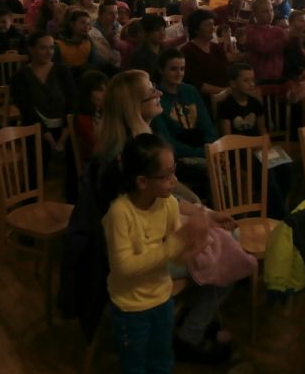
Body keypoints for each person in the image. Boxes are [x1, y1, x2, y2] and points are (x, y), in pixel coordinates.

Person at [93, 70, 236, 363]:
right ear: (134, 106)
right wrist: (192, 227)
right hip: (142, 255)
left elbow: (170, 198)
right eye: (151, 91)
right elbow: (146, 222)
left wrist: (205, 213)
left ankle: (190, 320)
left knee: (227, 238)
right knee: (229, 251)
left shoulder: (138, 142)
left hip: (156, 240)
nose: (159, 93)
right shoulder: (126, 158)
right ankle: (190, 332)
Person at [103, 133, 209, 374]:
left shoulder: (169, 204)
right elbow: (123, 267)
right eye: (166, 175)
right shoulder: (120, 213)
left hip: (162, 299)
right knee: (134, 367)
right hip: (130, 308)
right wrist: (173, 246)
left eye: (174, 170)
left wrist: (193, 246)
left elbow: (175, 256)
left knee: (162, 362)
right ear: (142, 181)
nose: (174, 180)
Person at [217, 62, 291, 219]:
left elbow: (262, 130)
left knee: (285, 165)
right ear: (233, 83)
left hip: (259, 148)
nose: (251, 84)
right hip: (240, 152)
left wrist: (267, 146)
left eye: (253, 80)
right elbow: (227, 137)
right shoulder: (226, 106)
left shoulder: (255, 103)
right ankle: (278, 215)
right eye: (246, 80)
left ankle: (277, 205)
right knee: (267, 173)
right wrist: (253, 147)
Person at [151, 49, 217, 192]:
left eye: (182, 69)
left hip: (202, 147)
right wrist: (203, 153)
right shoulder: (156, 98)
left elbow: (207, 127)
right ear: (161, 70)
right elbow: (167, 141)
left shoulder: (190, 91)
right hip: (178, 155)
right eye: (173, 69)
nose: (179, 73)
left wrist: (212, 148)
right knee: (212, 170)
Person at [10, 32, 75, 172]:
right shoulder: (20, 77)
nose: (48, 52)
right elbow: (28, 111)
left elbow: (71, 104)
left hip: (64, 127)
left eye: (51, 48)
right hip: (36, 128)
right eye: (43, 48)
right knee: (35, 167)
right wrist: (50, 140)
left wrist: (63, 138)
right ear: (31, 49)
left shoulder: (62, 71)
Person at [180, 9, 229, 98]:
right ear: (196, 29)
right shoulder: (187, 51)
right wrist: (225, 92)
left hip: (226, 93)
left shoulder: (216, 48)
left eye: (213, 24)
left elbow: (227, 71)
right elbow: (196, 84)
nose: (212, 28)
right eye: (207, 25)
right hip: (203, 98)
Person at [244, 0, 288, 84]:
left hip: (277, 76)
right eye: (265, 12)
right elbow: (264, 48)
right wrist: (286, 38)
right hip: (259, 78)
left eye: (271, 10)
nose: (270, 14)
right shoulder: (251, 32)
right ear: (255, 14)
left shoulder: (278, 30)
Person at [74, 70, 108, 165]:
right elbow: (97, 148)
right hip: (94, 164)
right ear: (88, 93)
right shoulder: (83, 119)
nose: (106, 94)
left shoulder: (104, 114)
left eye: (107, 89)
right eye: (100, 90)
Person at [54, 8, 97, 78]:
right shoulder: (58, 45)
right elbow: (57, 69)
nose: (86, 26)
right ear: (72, 24)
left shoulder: (88, 41)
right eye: (82, 23)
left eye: (88, 24)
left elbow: (92, 62)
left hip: (86, 76)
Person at [128, 14, 166, 81]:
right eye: (157, 30)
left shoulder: (165, 52)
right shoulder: (139, 56)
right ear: (146, 32)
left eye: (163, 29)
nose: (162, 33)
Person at [281, 9, 305, 82]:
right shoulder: (290, 39)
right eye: (302, 21)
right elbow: (299, 60)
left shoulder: (302, 37)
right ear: (291, 22)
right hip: (291, 74)